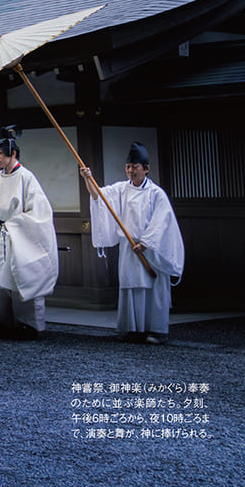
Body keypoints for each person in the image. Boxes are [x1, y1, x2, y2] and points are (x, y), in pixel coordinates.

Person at [81, 142, 184, 344]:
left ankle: (156, 330)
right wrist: (87, 178)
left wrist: (146, 242)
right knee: (131, 287)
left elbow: (162, 221)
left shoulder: (156, 193)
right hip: (129, 248)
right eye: (128, 167)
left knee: (154, 290)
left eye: (135, 167)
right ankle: (133, 329)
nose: (130, 171)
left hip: (151, 250)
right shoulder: (121, 189)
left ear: (146, 168)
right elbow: (98, 196)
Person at [0, 130, 58, 339]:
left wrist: (11, 225)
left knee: (20, 279)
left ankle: (29, 324)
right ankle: (4, 320)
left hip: (18, 238)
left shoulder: (26, 178)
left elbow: (39, 213)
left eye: (1, 153)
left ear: (13, 153)